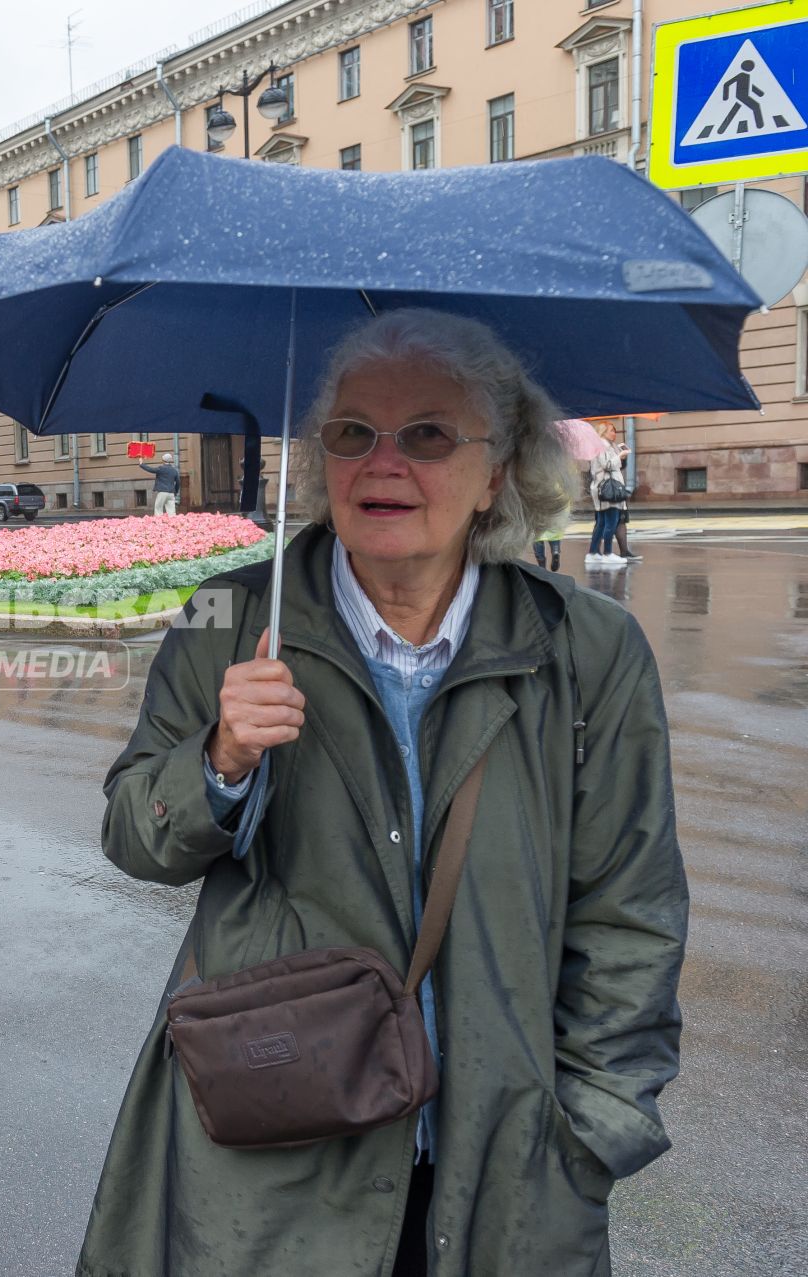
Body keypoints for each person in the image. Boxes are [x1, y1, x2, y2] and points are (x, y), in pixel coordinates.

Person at [80, 311, 686, 1277]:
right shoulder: (229, 614)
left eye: (430, 435)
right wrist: (220, 760)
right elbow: (132, 833)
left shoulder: (588, 650)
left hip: (504, 1159)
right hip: (274, 1149)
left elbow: (629, 912)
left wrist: (594, 1128)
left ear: (498, 471)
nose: (383, 462)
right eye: (353, 433)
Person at [588, 429, 629, 567]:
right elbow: (608, 465)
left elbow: (616, 465)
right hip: (608, 489)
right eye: (611, 430)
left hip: (604, 488)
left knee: (601, 522)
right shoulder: (602, 445)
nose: (614, 433)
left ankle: (593, 553)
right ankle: (607, 553)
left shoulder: (608, 446)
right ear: (603, 432)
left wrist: (621, 456)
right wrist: (620, 456)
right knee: (611, 521)